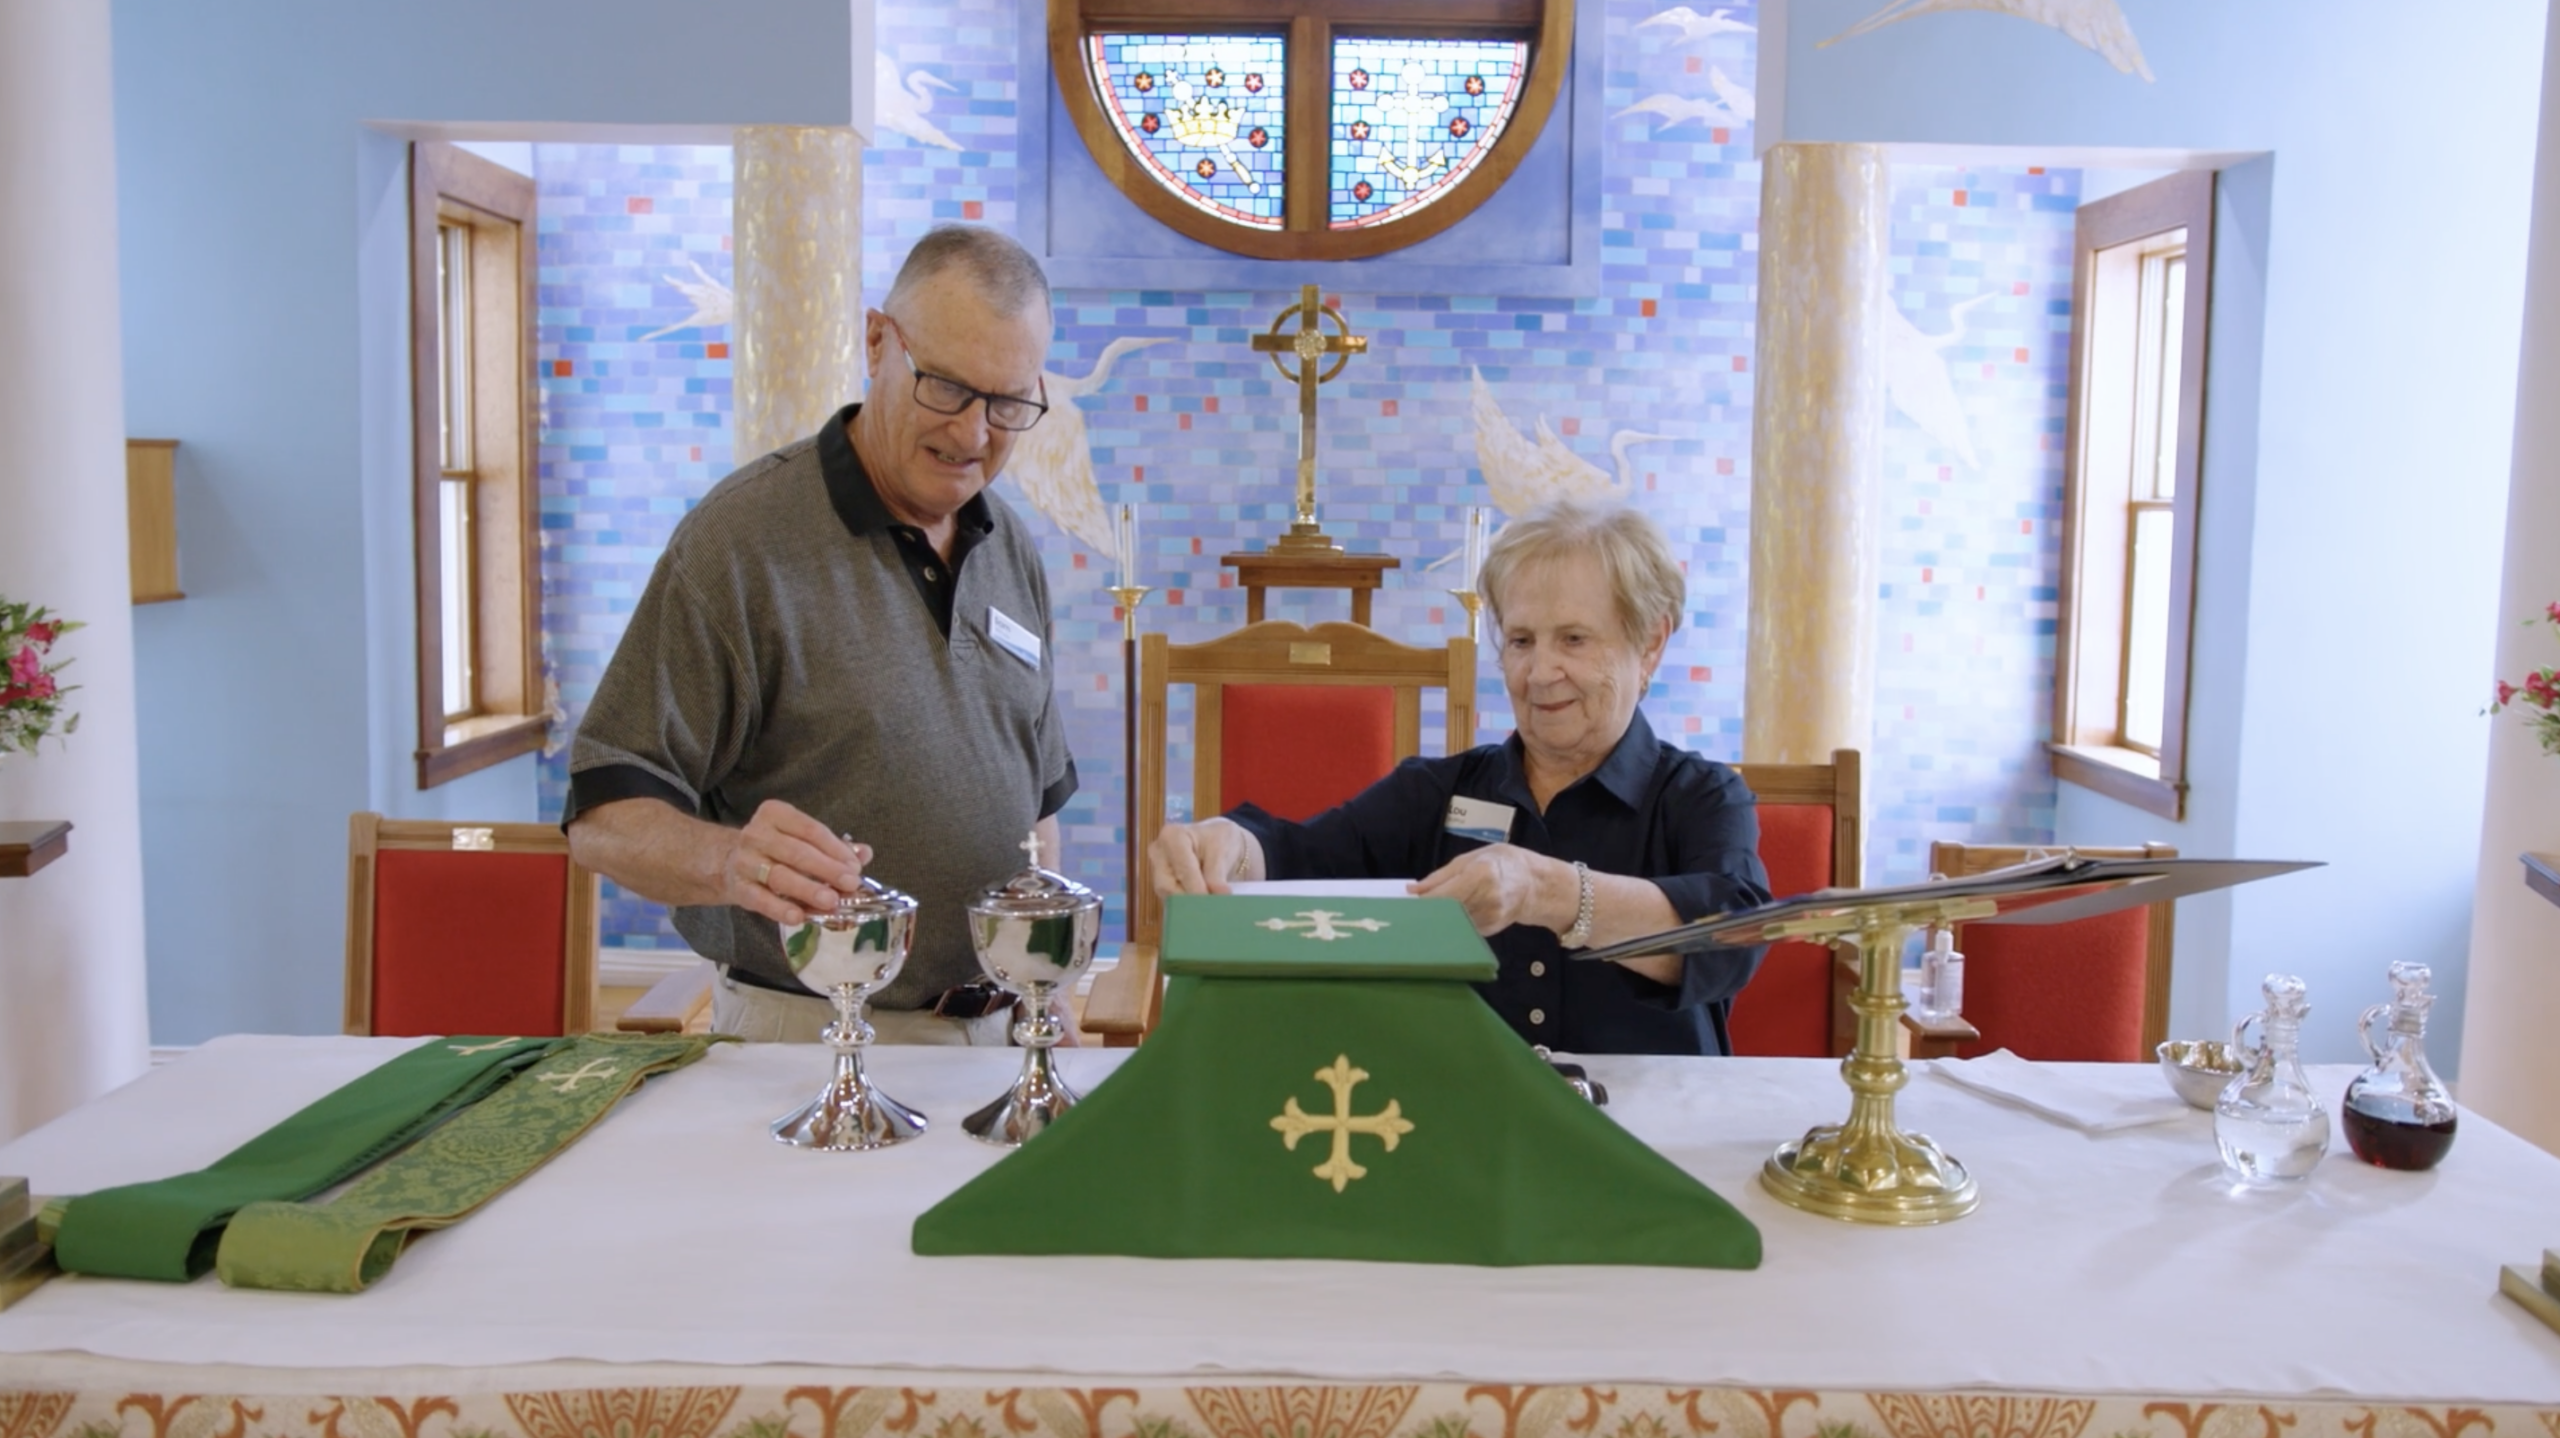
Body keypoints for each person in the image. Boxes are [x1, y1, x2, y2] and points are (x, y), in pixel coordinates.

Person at [566, 224, 1077, 1044]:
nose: (974, 435)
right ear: (877, 343)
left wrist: (1048, 988)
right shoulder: (740, 543)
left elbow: (1036, 808)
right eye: (945, 386)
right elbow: (604, 815)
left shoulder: (1008, 544)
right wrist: (728, 861)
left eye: (1009, 403)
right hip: (805, 1040)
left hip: (1001, 1039)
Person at [1148, 499, 1770, 1055]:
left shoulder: (1702, 797)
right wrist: (1228, 847)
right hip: (1466, 1126)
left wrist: (1546, 890)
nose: (1540, 671)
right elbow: (1299, 856)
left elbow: (1734, 933)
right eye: (1521, 640)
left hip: (1648, 1136)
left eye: (1574, 639)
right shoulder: (1438, 793)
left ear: (1652, 643)